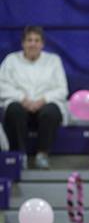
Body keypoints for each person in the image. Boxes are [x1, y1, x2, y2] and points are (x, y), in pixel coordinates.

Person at [0, 25, 67, 169]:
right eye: (29, 40)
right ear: (23, 43)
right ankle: (20, 156)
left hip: (44, 104)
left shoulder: (53, 60)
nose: (33, 44)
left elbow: (62, 89)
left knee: (51, 112)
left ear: (42, 44)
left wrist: (42, 100)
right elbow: (2, 86)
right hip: (20, 104)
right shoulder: (11, 60)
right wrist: (22, 99)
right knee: (14, 110)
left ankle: (42, 155)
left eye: (37, 40)